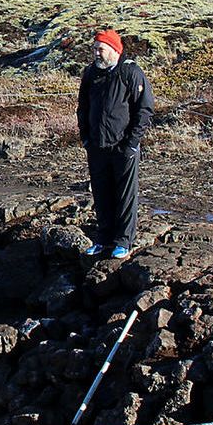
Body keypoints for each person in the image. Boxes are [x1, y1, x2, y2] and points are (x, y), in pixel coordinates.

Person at [77, 29, 154, 260]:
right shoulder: (91, 73)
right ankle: (104, 238)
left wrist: (131, 143)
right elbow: (83, 106)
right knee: (101, 193)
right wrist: (86, 138)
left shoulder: (130, 72)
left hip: (123, 146)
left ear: (113, 50)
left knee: (125, 194)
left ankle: (124, 240)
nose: (96, 53)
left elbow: (144, 108)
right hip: (97, 146)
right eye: (94, 49)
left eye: (100, 49)